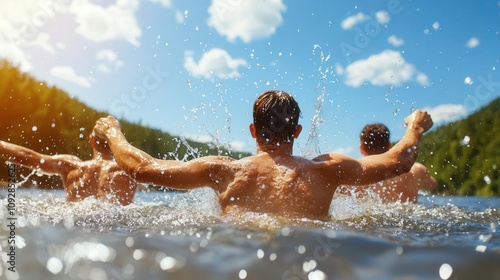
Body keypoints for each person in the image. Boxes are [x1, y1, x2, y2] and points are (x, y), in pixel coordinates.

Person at [93, 90, 433, 219]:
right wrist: (415, 126)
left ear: (253, 130)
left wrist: (112, 131)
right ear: (297, 132)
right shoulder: (328, 170)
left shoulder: (223, 171)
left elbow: (143, 168)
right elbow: (398, 162)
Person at [0, 127, 140, 206]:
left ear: (91, 140)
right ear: (114, 142)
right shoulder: (130, 169)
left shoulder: (71, 166)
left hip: (74, 225)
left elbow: (30, 158)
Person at [336, 123, 437, 203]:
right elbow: (432, 184)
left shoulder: (350, 177)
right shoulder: (416, 170)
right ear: (389, 145)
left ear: (362, 148)